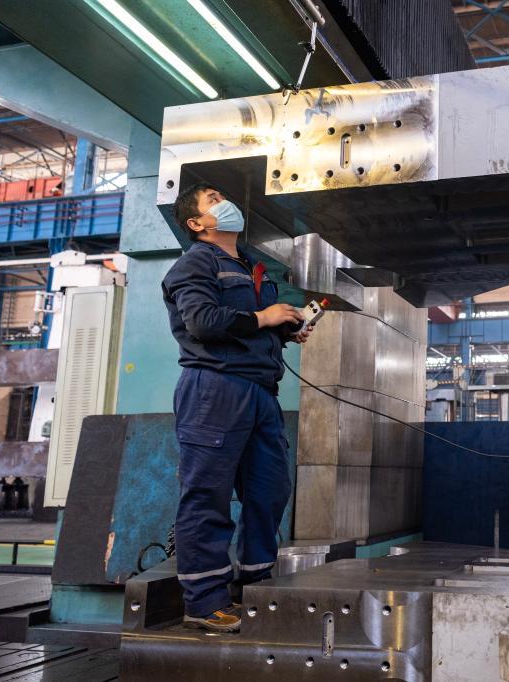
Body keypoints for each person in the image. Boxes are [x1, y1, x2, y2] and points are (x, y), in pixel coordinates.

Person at [161, 183, 310, 632]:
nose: (224, 203)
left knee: (269, 490)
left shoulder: (249, 265)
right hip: (215, 389)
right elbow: (202, 322)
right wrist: (265, 317)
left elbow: (247, 324)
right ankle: (204, 602)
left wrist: (285, 330)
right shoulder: (195, 263)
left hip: (262, 391)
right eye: (213, 200)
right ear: (196, 223)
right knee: (207, 495)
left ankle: (255, 584)